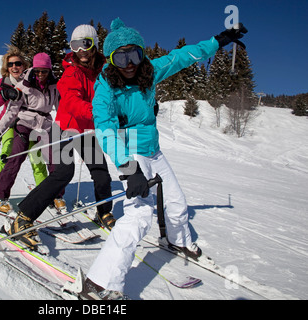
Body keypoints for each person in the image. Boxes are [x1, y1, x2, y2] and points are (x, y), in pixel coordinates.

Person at [80, 18, 248, 299]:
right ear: (111, 60)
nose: (129, 63)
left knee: (176, 202)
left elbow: (182, 56)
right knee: (140, 214)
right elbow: (105, 129)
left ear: (142, 53)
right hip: (129, 147)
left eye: (134, 54)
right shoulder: (106, 85)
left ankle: (177, 240)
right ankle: (99, 282)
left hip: (153, 148)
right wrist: (129, 169)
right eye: (120, 57)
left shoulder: (150, 71)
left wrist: (218, 40)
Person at [8, 24, 115, 250]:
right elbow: (73, 103)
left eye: (85, 44)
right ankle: (23, 217)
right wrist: (101, 115)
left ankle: (104, 212)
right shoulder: (70, 72)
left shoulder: (105, 71)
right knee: (64, 172)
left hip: (87, 131)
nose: (80, 51)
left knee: (101, 172)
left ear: (95, 43)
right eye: (74, 45)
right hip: (65, 127)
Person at [0, 53, 62, 215]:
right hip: (24, 123)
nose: (40, 75)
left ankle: (55, 194)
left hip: (44, 125)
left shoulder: (54, 86)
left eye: (44, 71)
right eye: (37, 71)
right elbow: (11, 111)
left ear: (49, 70)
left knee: (53, 158)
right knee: (16, 157)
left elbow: (61, 109)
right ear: (33, 69)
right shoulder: (24, 85)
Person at [0, 46, 47, 207]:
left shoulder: (32, 80)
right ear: (6, 67)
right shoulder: (4, 82)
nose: (14, 67)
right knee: (7, 153)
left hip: (31, 125)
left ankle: (46, 192)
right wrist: (4, 94)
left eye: (18, 63)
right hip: (10, 125)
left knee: (36, 158)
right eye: (10, 65)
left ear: (24, 65)